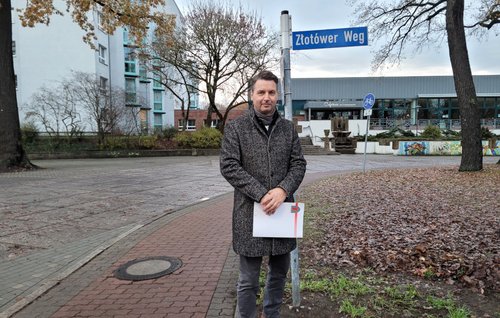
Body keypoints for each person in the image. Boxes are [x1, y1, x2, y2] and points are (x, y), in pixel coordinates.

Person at [220, 70, 307, 318]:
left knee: (278, 275)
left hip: (282, 214)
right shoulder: (236, 128)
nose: (266, 97)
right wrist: (261, 194)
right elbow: (229, 166)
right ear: (251, 95)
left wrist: (282, 190)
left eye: (271, 92)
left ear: (277, 95)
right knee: (248, 281)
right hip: (249, 214)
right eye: (261, 92)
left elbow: (298, 164)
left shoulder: (288, 130)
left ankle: (271, 315)